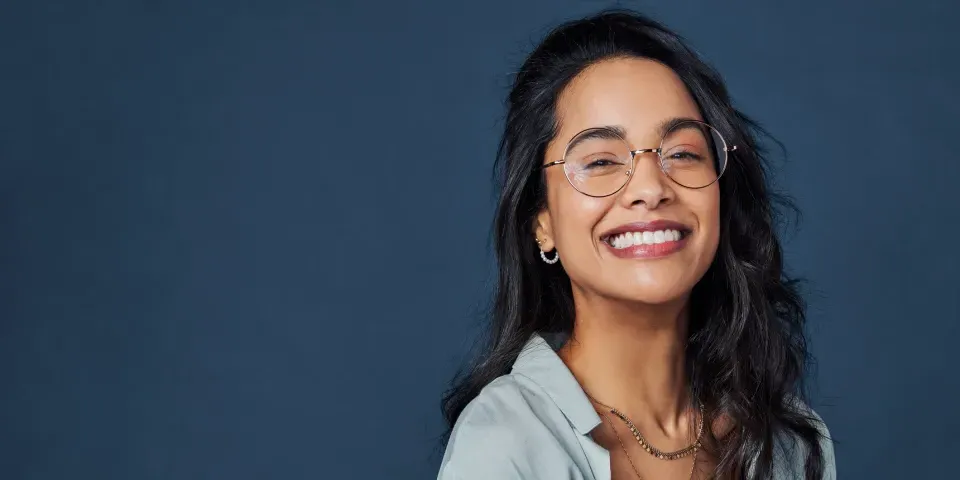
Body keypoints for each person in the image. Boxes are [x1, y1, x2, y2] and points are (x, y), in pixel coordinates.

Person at [437, 8, 836, 480]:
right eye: (602, 161)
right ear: (541, 221)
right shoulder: (507, 442)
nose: (651, 187)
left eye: (683, 153)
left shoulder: (791, 439)